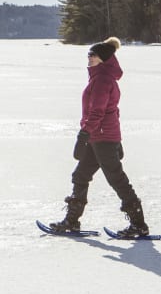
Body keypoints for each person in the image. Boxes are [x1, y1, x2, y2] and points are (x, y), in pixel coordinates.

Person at [47, 36, 150, 238]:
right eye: (88, 54)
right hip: (99, 137)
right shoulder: (98, 78)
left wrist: (84, 134)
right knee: (80, 176)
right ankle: (72, 221)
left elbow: (98, 112)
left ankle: (139, 225)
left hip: (101, 138)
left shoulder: (102, 80)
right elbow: (111, 112)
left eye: (93, 55)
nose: (89, 58)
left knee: (117, 180)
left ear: (102, 58)